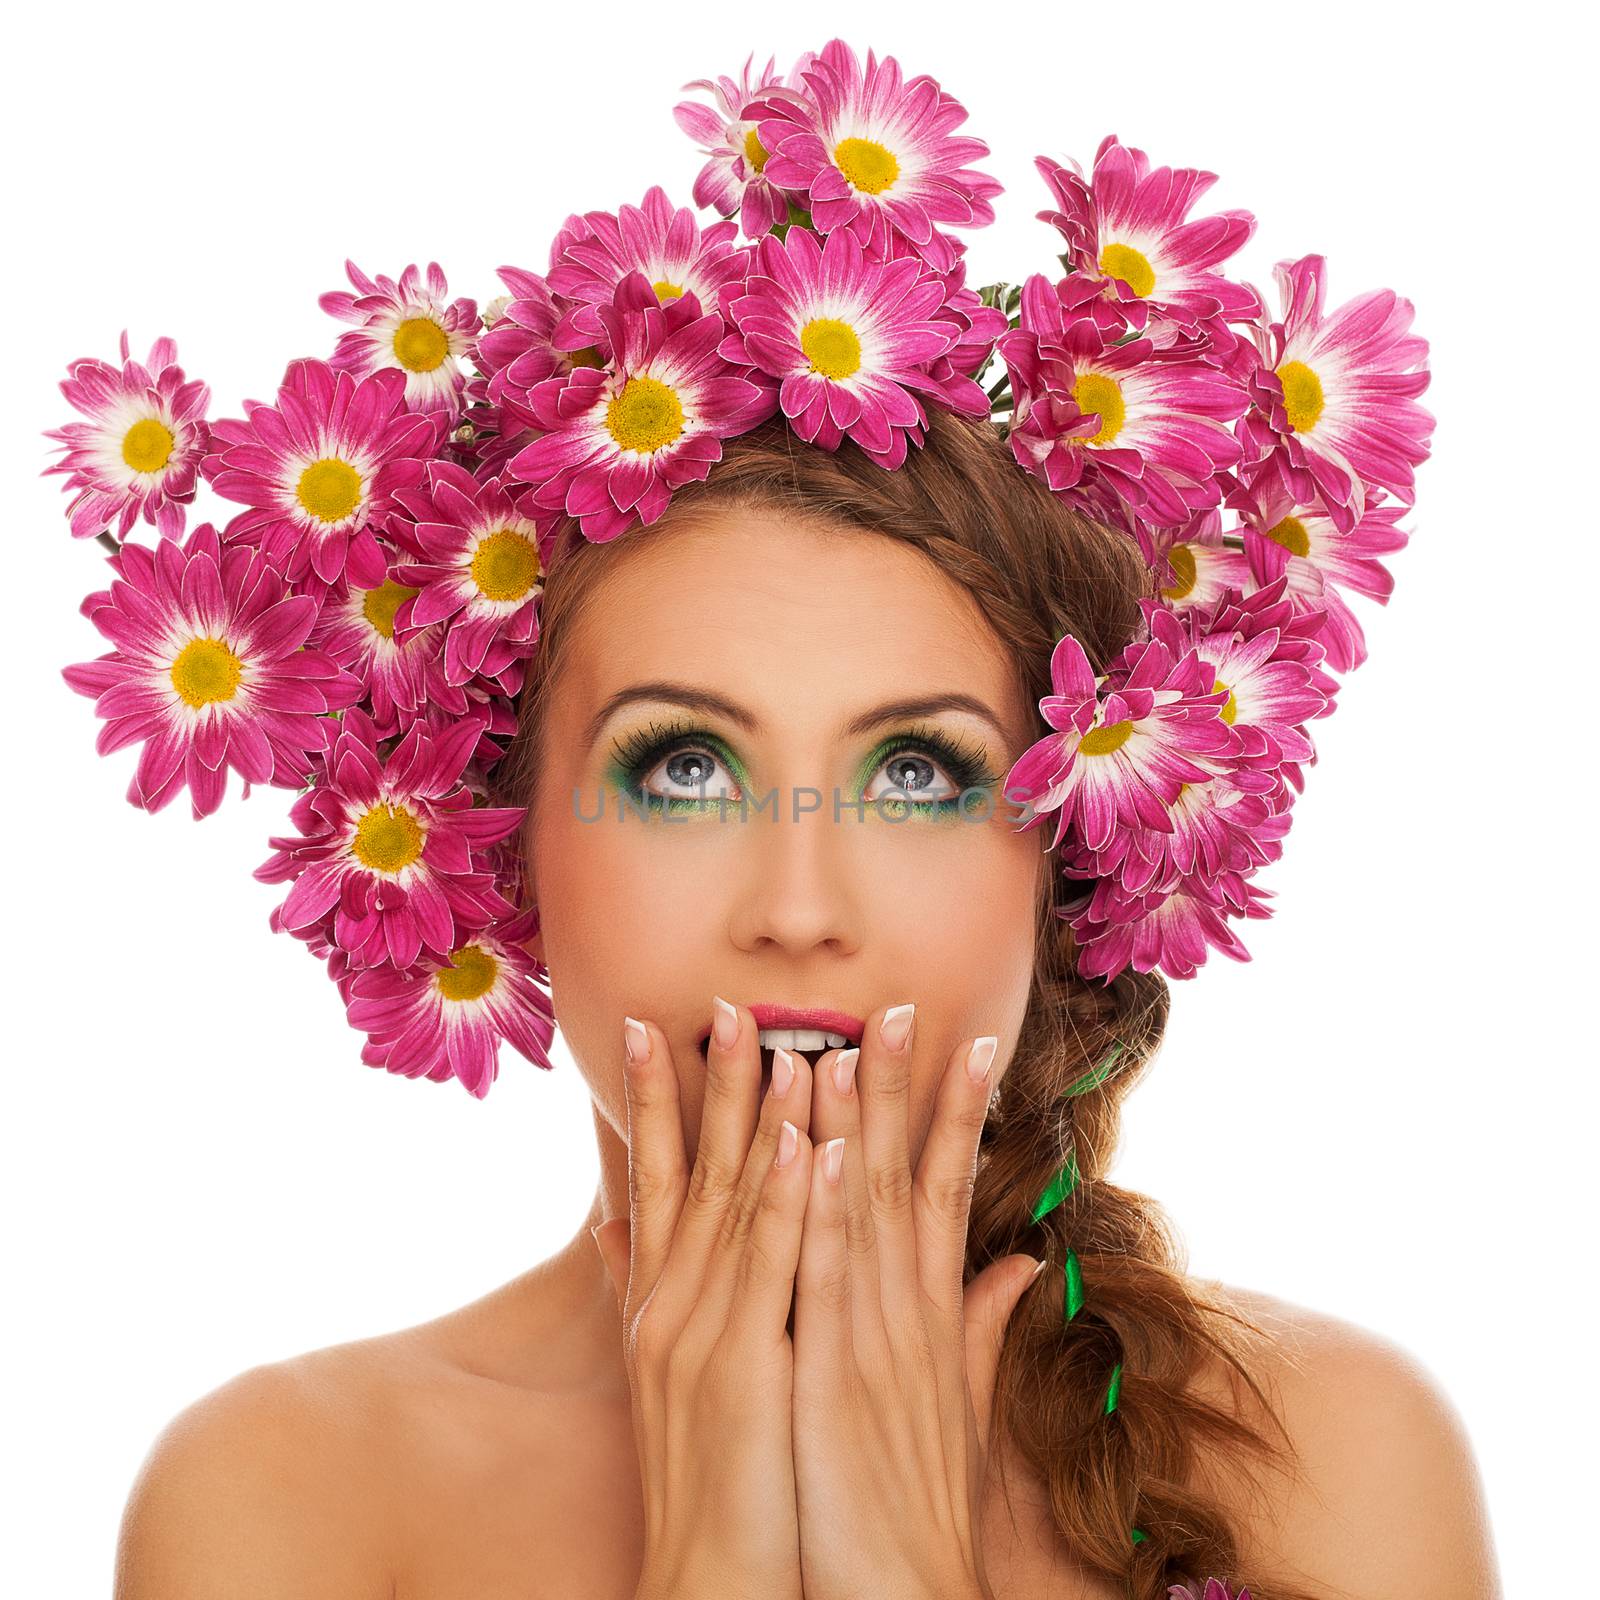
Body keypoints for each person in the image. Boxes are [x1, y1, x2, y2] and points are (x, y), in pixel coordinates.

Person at [108, 409, 1500, 1599]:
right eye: (684, 770)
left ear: (1067, 861)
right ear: (496, 841)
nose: (798, 906)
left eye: (916, 774)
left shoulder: (1331, 1454)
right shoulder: (287, 1499)